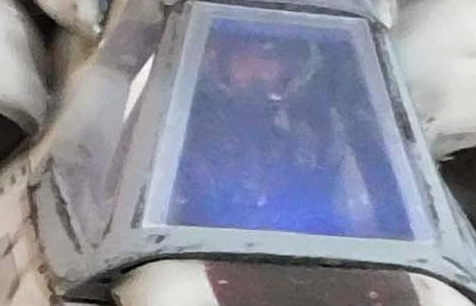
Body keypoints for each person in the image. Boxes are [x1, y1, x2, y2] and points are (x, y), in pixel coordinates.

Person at [167, 14, 397, 236]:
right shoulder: (185, 125)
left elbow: (354, 217)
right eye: (243, 56)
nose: (255, 70)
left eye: (267, 57)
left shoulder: (321, 130)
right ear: (222, 63)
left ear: (288, 64)